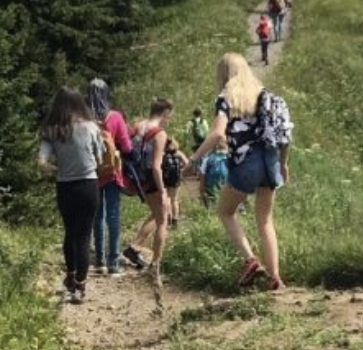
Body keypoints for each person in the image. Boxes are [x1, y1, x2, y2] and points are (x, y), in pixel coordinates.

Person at [189, 52, 293, 292]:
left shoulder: (227, 97)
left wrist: (194, 158)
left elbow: (217, 134)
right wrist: (283, 164)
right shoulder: (267, 96)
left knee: (225, 212)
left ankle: (250, 259)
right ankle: (275, 278)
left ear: (224, 73)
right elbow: (285, 134)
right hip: (270, 160)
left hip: (246, 162)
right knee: (265, 221)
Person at [38, 86, 105, 305]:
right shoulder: (91, 127)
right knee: (85, 235)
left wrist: (58, 169)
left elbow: (42, 162)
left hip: (65, 187)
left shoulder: (52, 130)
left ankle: (70, 274)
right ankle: (80, 286)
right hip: (88, 185)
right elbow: (101, 159)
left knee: (70, 233)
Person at [122, 97, 177, 284]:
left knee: (155, 214)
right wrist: (162, 191)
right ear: (165, 113)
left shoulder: (137, 126)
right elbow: (156, 166)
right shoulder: (159, 133)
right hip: (152, 181)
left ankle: (135, 246)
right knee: (163, 221)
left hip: (139, 179)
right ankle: (155, 264)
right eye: (170, 114)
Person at [86, 78, 132, 277]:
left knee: (97, 216)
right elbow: (127, 146)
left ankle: (100, 261)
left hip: (91, 173)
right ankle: (114, 262)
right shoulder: (115, 117)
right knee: (113, 216)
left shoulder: (83, 119)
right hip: (112, 172)